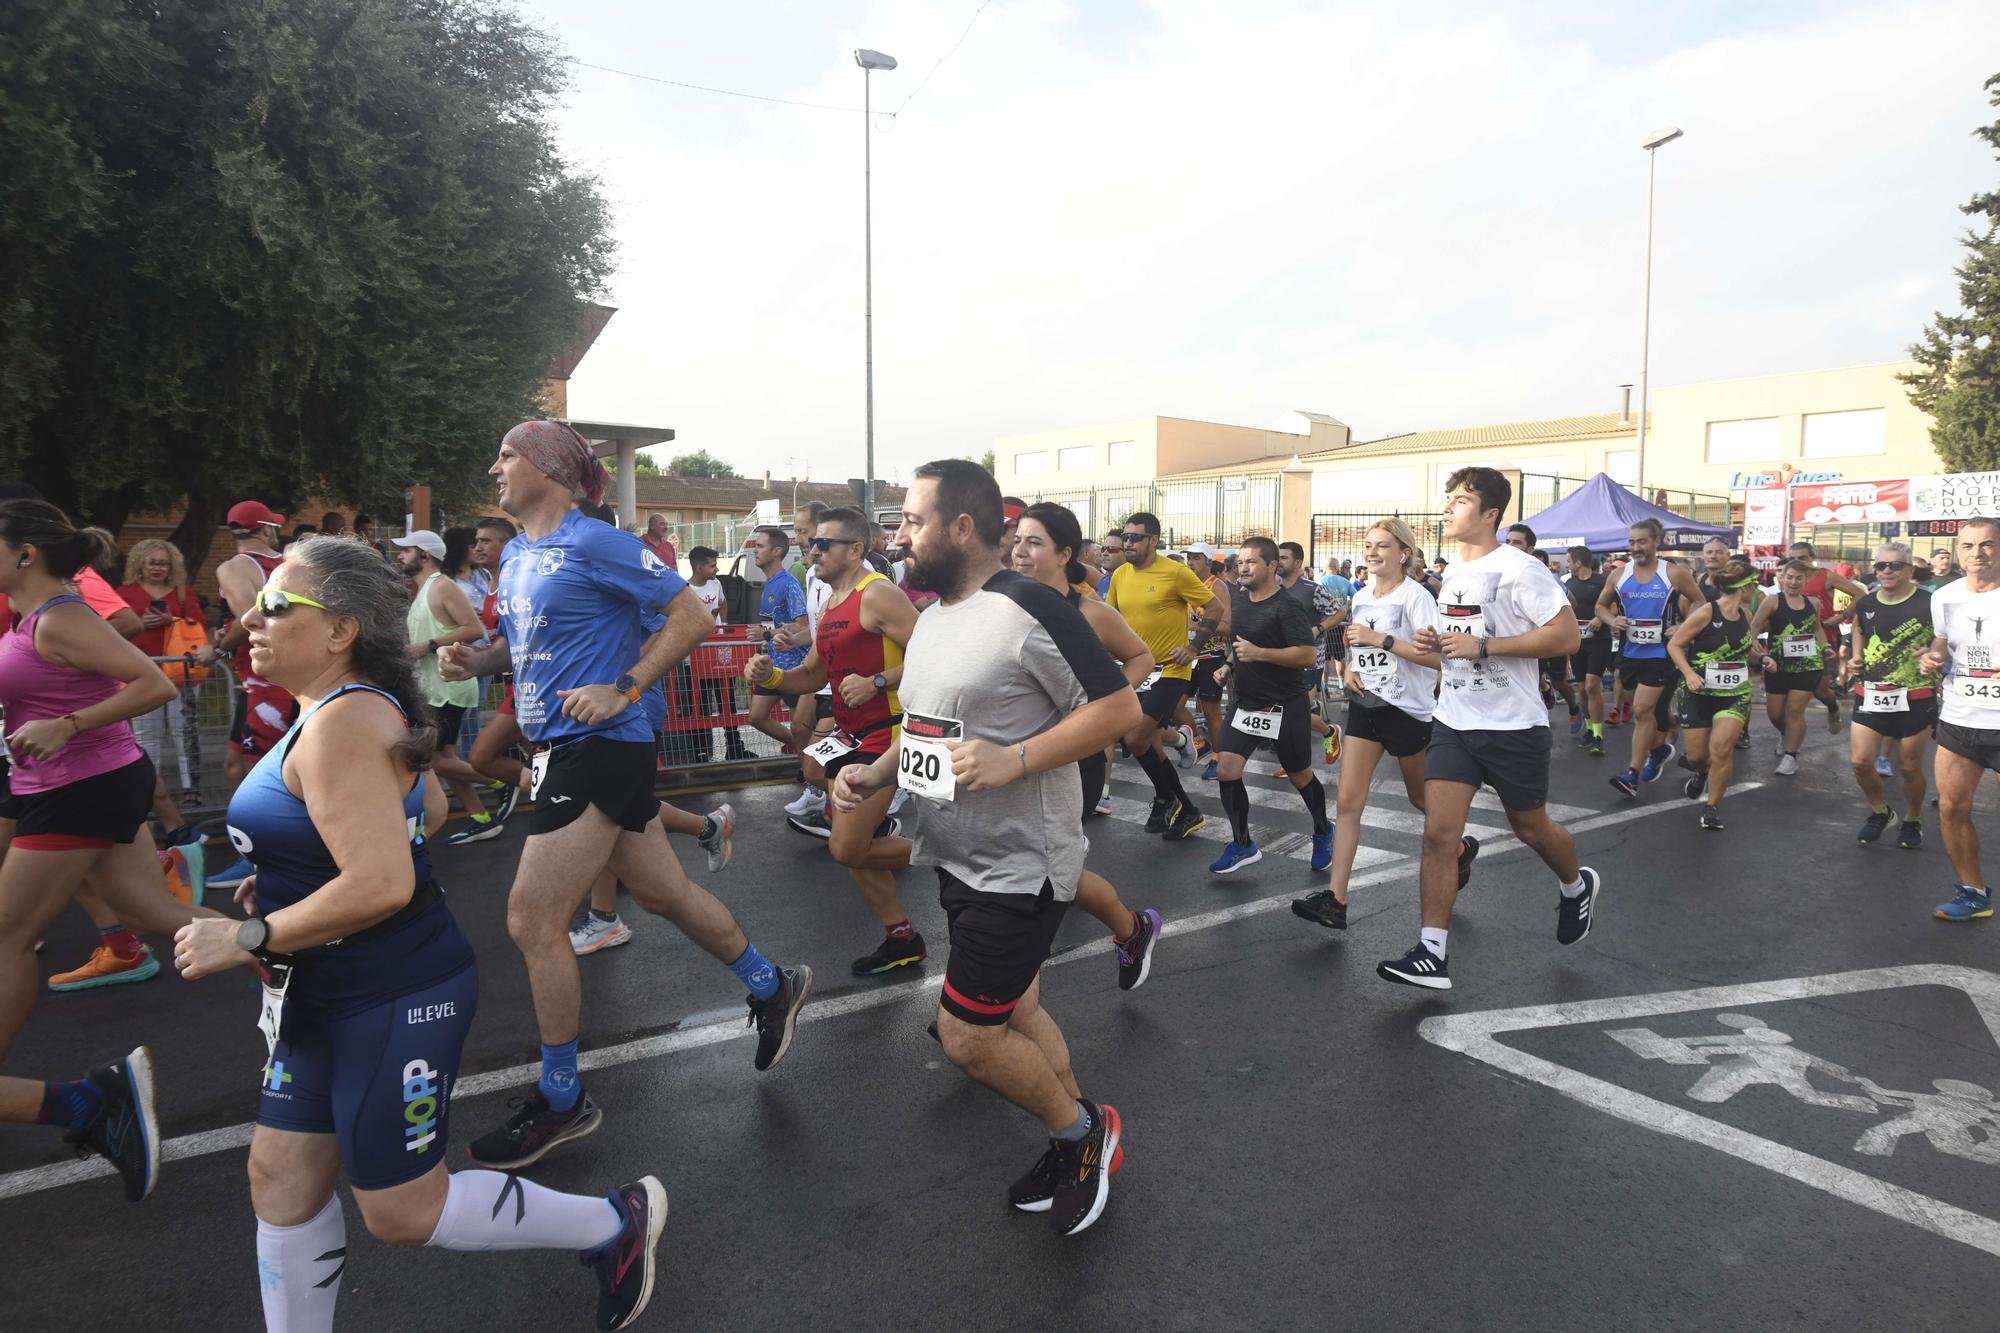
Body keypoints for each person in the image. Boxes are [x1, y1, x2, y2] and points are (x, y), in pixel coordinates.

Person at [167, 535, 667, 1332]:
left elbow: (381, 882)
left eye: (274, 604)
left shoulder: (342, 719)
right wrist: (296, 866)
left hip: (391, 991)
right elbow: (426, 815)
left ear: (338, 630)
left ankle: (614, 1223)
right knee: (281, 1176)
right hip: (322, 990)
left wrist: (251, 933)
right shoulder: (349, 707)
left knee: (402, 1208)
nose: (249, 621)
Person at [439, 420, 809, 1168]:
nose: (494, 466)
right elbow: (524, 637)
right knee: (666, 891)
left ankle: (563, 1095)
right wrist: (475, 657)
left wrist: (623, 687)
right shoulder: (516, 554)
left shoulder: (598, 541)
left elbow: (694, 616)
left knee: (531, 918)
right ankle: (771, 985)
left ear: (548, 467)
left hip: (601, 744)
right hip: (556, 745)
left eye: (507, 454)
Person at [832, 459, 1138, 1234]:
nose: (898, 534)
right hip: (958, 857)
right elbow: (927, 726)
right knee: (1020, 1011)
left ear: (960, 528)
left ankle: (1082, 1134)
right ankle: (1075, 1125)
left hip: (1022, 866)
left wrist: (1019, 758)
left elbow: (1120, 706)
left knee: (966, 1035)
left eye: (911, 520)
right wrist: (873, 773)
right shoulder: (934, 617)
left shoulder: (1029, 607)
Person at [0, 499, 224, 1201]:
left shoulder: (62, 617)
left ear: (24, 552)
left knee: (6, 935)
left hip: (80, 783)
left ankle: (80, 1097)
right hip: (73, 780)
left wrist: (67, 725)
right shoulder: (30, 614)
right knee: (151, 909)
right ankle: (292, 954)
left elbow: (152, 681)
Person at [1376, 467, 1591, 990]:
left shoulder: (1522, 569)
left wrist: (1485, 647)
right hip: (1454, 718)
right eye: (1448, 498)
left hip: (1513, 724)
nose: (1448, 507)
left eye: (1462, 500)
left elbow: (1566, 638)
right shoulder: (1452, 573)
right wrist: (1439, 643)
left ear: (1491, 513)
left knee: (1531, 828)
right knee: (1438, 834)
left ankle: (1575, 884)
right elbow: (1465, 641)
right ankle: (1432, 952)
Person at [743, 506, 924, 976]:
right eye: (812, 542)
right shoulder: (828, 603)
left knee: (846, 849)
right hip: (847, 732)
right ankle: (901, 937)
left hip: (888, 731)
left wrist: (879, 681)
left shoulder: (878, 595)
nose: (812, 548)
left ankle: (955, 851)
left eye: (823, 543)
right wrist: (772, 674)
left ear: (856, 549)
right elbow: (810, 676)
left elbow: (934, 656)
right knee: (809, 770)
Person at [1294, 518, 1475, 929]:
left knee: (1420, 800)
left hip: (1407, 710)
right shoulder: (1359, 597)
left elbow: (1438, 658)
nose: (1372, 553)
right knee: (1348, 801)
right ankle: (1336, 901)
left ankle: (1459, 849)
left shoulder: (1416, 599)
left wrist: (1384, 642)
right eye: (1369, 546)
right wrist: (1350, 671)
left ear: (1403, 553)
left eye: (1382, 546)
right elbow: (1355, 645)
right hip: (1365, 705)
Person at [1012, 504, 1164, 989]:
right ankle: (1131, 929)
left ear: (1065, 554)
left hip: (1074, 760)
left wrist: (1107, 700)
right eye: (1017, 539)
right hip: (1015, 756)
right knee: (1039, 867)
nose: (1019, 550)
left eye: (1034, 542)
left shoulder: (1088, 612)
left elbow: (1141, 655)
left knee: (1040, 871)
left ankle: (996, 989)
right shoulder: (1006, 605)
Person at [1204, 537, 1334, 875]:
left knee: (1300, 776)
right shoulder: (1240, 601)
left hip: (1284, 705)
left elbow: (1306, 655)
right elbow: (1239, 645)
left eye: (1252, 562)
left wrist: (1260, 654)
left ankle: (1323, 830)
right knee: (1226, 769)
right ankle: (1243, 843)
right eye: (1241, 562)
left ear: (1272, 566)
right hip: (1246, 703)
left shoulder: (1287, 606)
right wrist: (1229, 665)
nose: (1243, 567)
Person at [202, 501, 299, 892]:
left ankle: (267, 860)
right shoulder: (291, 563)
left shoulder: (235, 567)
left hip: (267, 681)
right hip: (266, 680)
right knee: (235, 766)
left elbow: (250, 617)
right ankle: (253, 851)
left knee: (264, 773)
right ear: (264, 529)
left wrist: (218, 647)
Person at [1108, 511, 1219, 841]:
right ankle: (1187, 808)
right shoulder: (1120, 575)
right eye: (1125, 537)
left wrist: (1194, 646)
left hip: (1171, 671)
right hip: (1134, 671)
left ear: (1153, 541)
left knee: (1135, 737)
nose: (1127, 543)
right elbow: (1110, 618)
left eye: (1135, 538)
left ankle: (1164, 797)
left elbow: (1214, 609)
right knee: (1150, 744)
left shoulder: (1176, 573)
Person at [390, 531, 500, 846]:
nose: (400, 556)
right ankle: (481, 817)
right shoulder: (425, 589)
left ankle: (500, 780)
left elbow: (473, 629)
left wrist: (425, 645)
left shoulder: (442, 586)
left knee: (430, 760)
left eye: (406, 550)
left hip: (450, 687)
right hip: (435, 687)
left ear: (424, 555)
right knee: (445, 758)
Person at [1921, 517, 2000, 921]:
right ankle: (1973, 893)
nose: (1977, 554)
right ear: (1957, 552)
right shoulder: (1945, 596)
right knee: (1951, 807)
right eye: (1967, 546)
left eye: (1986, 545)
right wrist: (1933, 655)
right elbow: (1942, 639)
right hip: (1959, 717)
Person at [1844, 543, 1940, 849]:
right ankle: (1880, 811)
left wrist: (1934, 652)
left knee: (1910, 767)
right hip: (1871, 691)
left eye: (1895, 566)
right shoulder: (1866, 602)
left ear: (1910, 570)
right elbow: (1860, 630)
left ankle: (1912, 818)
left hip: (1916, 693)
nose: (1887, 571)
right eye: (1881, 566)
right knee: (1860, 762)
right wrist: (1856, 658)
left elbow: (1945, 637)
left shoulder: (1930, 602)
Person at [1599, 519, 1702, 800]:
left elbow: (1700, 602)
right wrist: (1612, 619)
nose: (1636, 548)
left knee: (1643, 711)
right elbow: (1600, 606)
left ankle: (1631, 774)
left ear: (1657, 541)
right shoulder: (1619, 575)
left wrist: (1683, 626)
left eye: (1642, 541)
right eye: (1632, 542)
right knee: (1644, 710)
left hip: (1662, 653)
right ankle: (1658, 750)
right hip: (1630, 652)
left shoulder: (1673, 573)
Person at [1666, 558, 1765, 830]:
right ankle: (1700, 771)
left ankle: (1712, 807)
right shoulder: (1707, 613)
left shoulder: (1745, 615)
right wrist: (1689, 673)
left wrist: (1761, 659)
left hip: (1734, 693)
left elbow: (1744, 651)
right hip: (1699, 691)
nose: (1756, 589)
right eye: (1753, 584)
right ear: (1744, 588)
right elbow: (1675, 645)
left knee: (1721, 750)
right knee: (1698, 756)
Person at [116, 538, 203, 839]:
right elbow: (111, 628)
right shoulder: (123, 594)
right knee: (147, 736)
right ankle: (149, 790)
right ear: (139, 563)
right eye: (152, 562)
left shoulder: (182, 593)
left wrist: (172, 619)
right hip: (140, 674)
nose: (157, 568)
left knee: (184, 734)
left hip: (180, 674)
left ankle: (191, 790)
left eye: (163, 563)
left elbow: (198, 624)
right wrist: (139, 622)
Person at [1751, 560, 1832, 777]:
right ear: (1782, 579)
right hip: (1778, 665)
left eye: (1798, 578)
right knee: (1776, 714)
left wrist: (1825, 647)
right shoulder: (1772, 600)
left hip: (1807, 664)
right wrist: (1753, 643)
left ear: (1805, 580)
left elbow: (1817, 629)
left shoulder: (1812, 603)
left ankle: (1791, 756)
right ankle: (1787, 735)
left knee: (1794, 711)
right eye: (1790, 577)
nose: (1793, 582)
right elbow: (1756, 624)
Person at [1275, 540, 1345, 770]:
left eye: (1284, 557)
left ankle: (1297, 761)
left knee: (1295, 712)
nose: (1278, 561)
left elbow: (1339, 612)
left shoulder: (1312, 589)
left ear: (1297, 562)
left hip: (1309, 659)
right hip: (1282, 659)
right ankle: (1327, 732)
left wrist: (1317, 629)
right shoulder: (1273, 588)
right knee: (1289, 713)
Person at [1507, 523, 1581, 732]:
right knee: (1531, 681)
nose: (1511, 546)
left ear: (1530, 549)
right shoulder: (1503, 573)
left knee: (1560, 682)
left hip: (1552, 638)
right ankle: (1539, 722)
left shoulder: (1546, 576)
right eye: (1508, 541)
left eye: (1517, 542)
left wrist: (1549, 617)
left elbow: (1572, 603)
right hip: (1530, 642)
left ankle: (1574, 708)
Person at [743, 525, 808, 753]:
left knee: (800, 728)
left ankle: (808, 772)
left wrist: (767, 634)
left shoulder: (788, 584)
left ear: (777, 551)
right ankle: (803, 748)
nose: (754, 550)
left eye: (760, 546)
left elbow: (804, 625)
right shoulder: (770, 583)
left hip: (793, 668)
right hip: (772, 665)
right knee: (756, 717)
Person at [686, 546, 752, 762]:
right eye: (712, 565)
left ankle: (734, 746)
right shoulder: (686, 590)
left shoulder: (716, 584)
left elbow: (722, 604)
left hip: (718, 652)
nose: (716, 569)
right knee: (700, 704)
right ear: (699, 567)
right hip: (695, 654)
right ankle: (701, 750)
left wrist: (721, 625)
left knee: (728, 700)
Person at [1564, 547, 1611, 756]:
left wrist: (1600, 618)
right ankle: (1590, 729)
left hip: (1599, 640)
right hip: (1578, 642)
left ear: (1578, 562)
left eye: (1568, 560)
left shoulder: (1601, 582)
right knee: (1582, 689)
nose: (1567, 564)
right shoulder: (1568, 584)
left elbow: (1615, 606)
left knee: (1593, 686)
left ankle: (1599, 735)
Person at [1096, 531, 1126, 598]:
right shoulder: (1103, 582)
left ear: (1126, 553)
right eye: (1103, 549)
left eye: (1112, 549)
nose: (1105, 553)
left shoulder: (1133, 582)